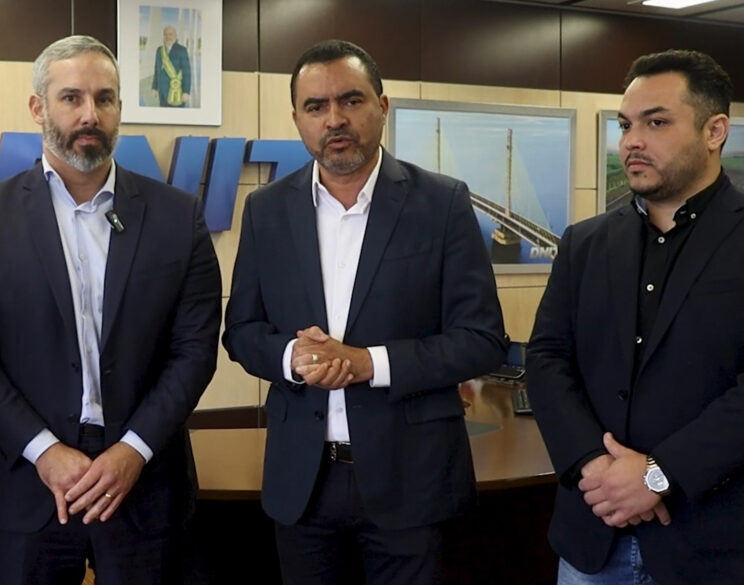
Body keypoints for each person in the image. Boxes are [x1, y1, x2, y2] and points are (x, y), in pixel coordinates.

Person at [222, 39, 506, 585]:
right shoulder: (266, 210)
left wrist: (367, 363)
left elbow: (482, 338)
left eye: (350, 101)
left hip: (410, 480)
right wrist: (291, 356)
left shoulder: (442, 203)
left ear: (382, 106)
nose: (334, 119)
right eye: (316, 106)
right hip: (303, 483)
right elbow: (242, 330)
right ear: (297, 120)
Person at [0, 35, 221, 585]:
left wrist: (133, 451)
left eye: (104, 98)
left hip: (144, 482)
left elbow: (194, 351)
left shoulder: (177, 216)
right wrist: (45, 452)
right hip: (26, 480)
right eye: (71, 97)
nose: (90, 114)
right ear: (38, 107)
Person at [527, 49, 744, 585]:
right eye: (626, 125)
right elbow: (548, 358)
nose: (631, 141)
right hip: (593, 536)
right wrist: (593, 465)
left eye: (657, 123)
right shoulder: (584, 243)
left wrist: (659, 474)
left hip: (714, 545)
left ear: (715, 130)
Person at [151, 26, 192, 107]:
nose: (168, 37)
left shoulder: (182, 50)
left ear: (175, 36)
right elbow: (156, 70)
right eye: (165, 34)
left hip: (177, 92)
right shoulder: (159, 50)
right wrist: (154, 87)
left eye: (170, 34)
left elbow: (187, 72)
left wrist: (186, 92)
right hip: (162, 93)